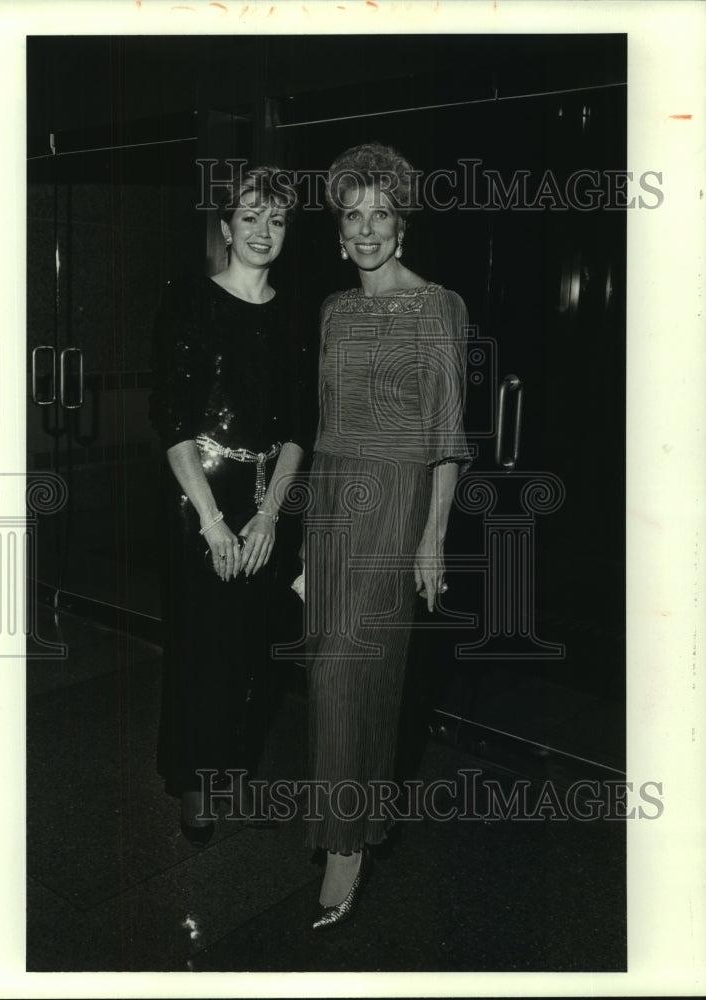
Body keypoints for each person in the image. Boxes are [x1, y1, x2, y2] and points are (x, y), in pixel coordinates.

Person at [304, 143, 471, 929]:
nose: (367, 230)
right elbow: (324, 426)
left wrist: (432, 537)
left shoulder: (438, 307)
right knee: (329, 673)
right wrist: (306, 542)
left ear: (401, 228)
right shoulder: (334, 310)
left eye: (380, 215)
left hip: (396, 500)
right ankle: (355, 822)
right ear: (341, 235)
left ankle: (345, 847)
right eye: (353, 216)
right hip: (333, 499)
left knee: (351, 671)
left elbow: (446, 436)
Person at [149, 166, 304, 845]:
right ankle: (193, 779)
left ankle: (230, 761)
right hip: (200, 498)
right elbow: (173, 424)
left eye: (275, 220)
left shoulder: (296, 312)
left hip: (267, 499)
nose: (262, 231)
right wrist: (213, 522)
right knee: (203, 643)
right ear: (225, 229)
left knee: (251, 646)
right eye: (249, 217)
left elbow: (304, 427)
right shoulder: (190, 299)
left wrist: (270, 512)